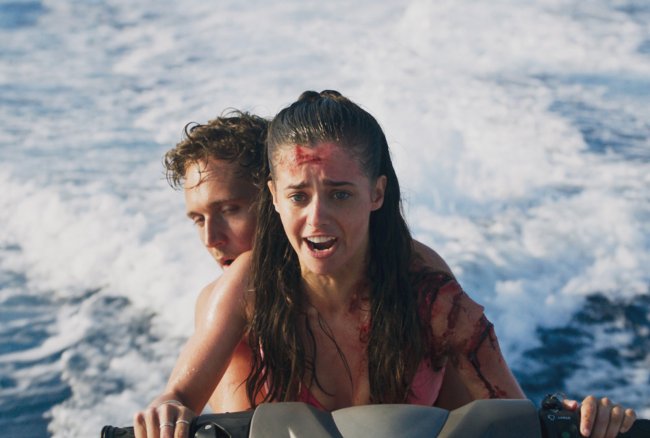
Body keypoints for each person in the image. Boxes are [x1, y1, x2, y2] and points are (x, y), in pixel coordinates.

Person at [135, 92, 637, 438]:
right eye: (298, 196)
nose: (317, 218)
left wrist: (580, 420)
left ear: (376, 194)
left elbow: (515, 416)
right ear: (275, 197)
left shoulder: (426, 291)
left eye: (340, 194)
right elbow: (177, 397)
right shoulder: (247, 286)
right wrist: (166, 413)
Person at [162, 110, 268, 412]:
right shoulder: (217, 301)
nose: (210, 238)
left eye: (229, 210)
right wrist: (168, 405)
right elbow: (177, 399)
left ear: (276, 199)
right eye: (199, 219)